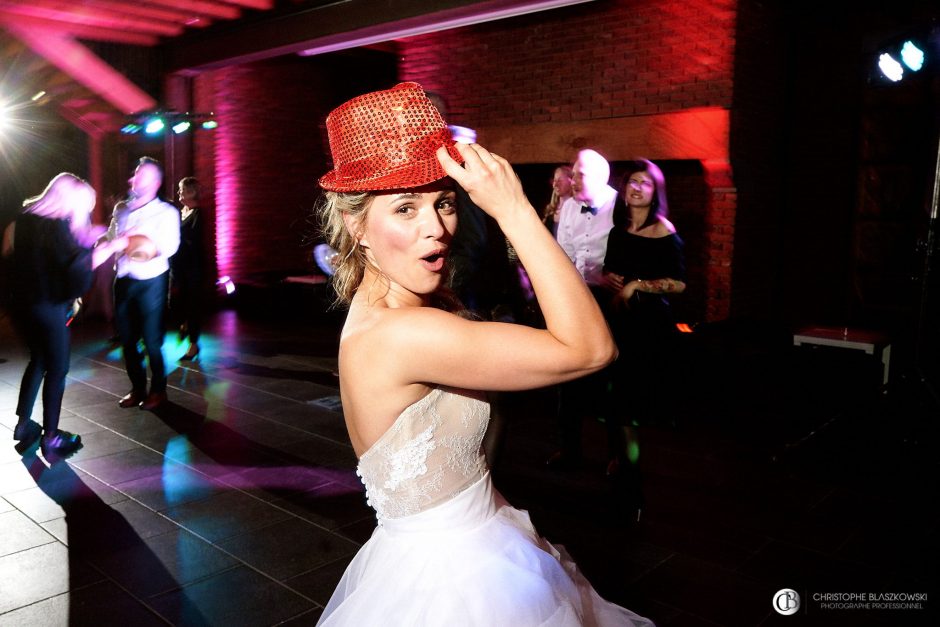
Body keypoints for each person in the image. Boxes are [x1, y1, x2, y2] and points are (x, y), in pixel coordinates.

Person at [315, 82, 653, 626]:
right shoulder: (401, 334)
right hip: (453, 582)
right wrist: (515, 210)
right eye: (405, 208)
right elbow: (591, 349)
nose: (437, 227)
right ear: (356, 226)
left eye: (444, 202)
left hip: (478, 537)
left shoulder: (395, 306)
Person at [4, 173, 127, 459]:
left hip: (23, 307)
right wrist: (108, 248)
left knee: (38, 360)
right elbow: (76, 273)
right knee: (57, 369)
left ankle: (23, 426)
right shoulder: (56, 227)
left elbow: (20, 262)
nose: (83, 212)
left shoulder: (21, 222)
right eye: (84, 206)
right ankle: (52, 438)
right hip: (48, 307)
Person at [601, 159, 686, 516]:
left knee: (629, 410)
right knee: (613, 403)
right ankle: (621, 462)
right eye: (632, 182)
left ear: (656, 192)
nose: (637, 188)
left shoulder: (664, 231)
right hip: (618, 323)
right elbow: (608, 269)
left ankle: (633, 487)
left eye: (645, 183)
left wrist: (638, 285)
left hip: (648, 328)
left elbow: (680, 283)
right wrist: (612, 280)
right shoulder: (618, 229)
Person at [547, 149, 619, 470]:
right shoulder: (569, 208)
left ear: (601, 178)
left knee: (614, 380)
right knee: (570, 375)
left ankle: (617, 455)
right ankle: (570, 449)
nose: (572, 181)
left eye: (580, 175)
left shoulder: (621, 206)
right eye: (572, 174)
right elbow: (563, 255)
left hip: (613, 302)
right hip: (577, 298)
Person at [109, 157, 181, 410]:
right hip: (124, 280)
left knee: (152, 341)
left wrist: (140, 245)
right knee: (128, 341)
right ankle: (137, 388)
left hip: (152, 282)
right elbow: (111, 238)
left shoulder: (167, 212)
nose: (134, 178)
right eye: (135, 173)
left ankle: (159, 391)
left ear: (156, 182)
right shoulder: (122, 209)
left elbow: (170, 246)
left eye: (141, 174)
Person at [170, 176, 206, 361]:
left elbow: (194, 240)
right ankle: (184, 324)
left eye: (181, 189)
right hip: (178, 266)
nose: (179, 193)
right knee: (177, 303)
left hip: (192, 268)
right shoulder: (179, 211)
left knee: (192, 305)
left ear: (191, 192)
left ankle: (193, 345)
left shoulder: (198, 214)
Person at [543, 165, 572, 237]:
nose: (555, 185)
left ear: (570, 181)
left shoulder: (578, 209)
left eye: (560, 181)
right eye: (555, 181)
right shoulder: (551, 209)